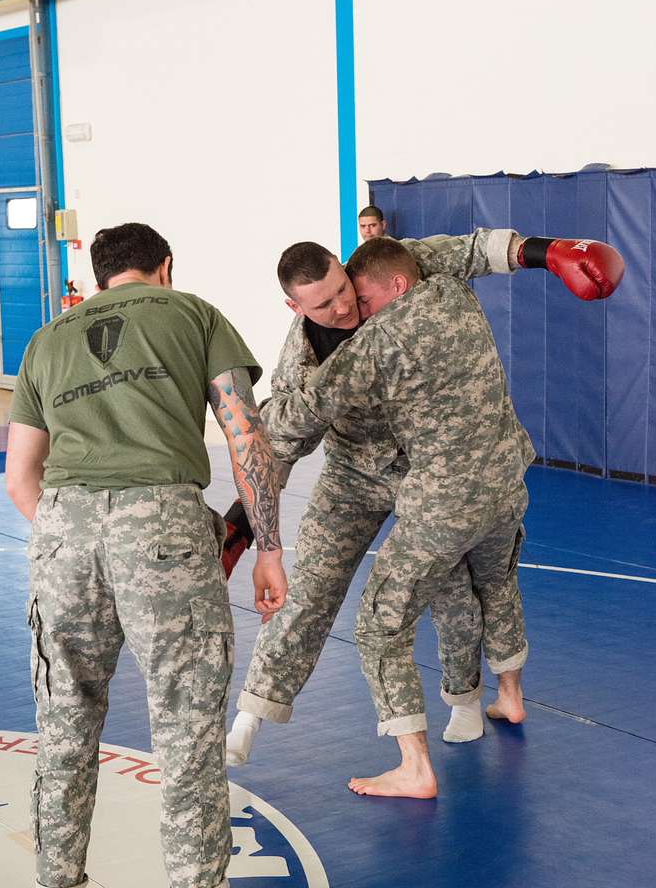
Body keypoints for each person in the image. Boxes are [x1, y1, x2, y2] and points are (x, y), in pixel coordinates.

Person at [225, 229, 624, 773]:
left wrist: (551, 252)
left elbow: (478, 250)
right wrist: (244, 528)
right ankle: (253, 712)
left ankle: (463, 702)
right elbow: (282, 444)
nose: (344, 306)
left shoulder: (399, 267)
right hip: (354, 471)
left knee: (451, 590)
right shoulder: (304, 358)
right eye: (324, 304)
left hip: (427, 468)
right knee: (312, 585)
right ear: (295, 307)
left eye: (346, 290)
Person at [6, 222, 287, 888]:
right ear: (164, 266)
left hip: (62, 533)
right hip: (162, 524)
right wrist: (268, 548)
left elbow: (22, 478)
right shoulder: (193, 313)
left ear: (100, 276)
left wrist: (72, 531)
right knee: (186, 730)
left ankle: (57, 878)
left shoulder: (47, 340)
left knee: (64, 726)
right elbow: (248, 440)